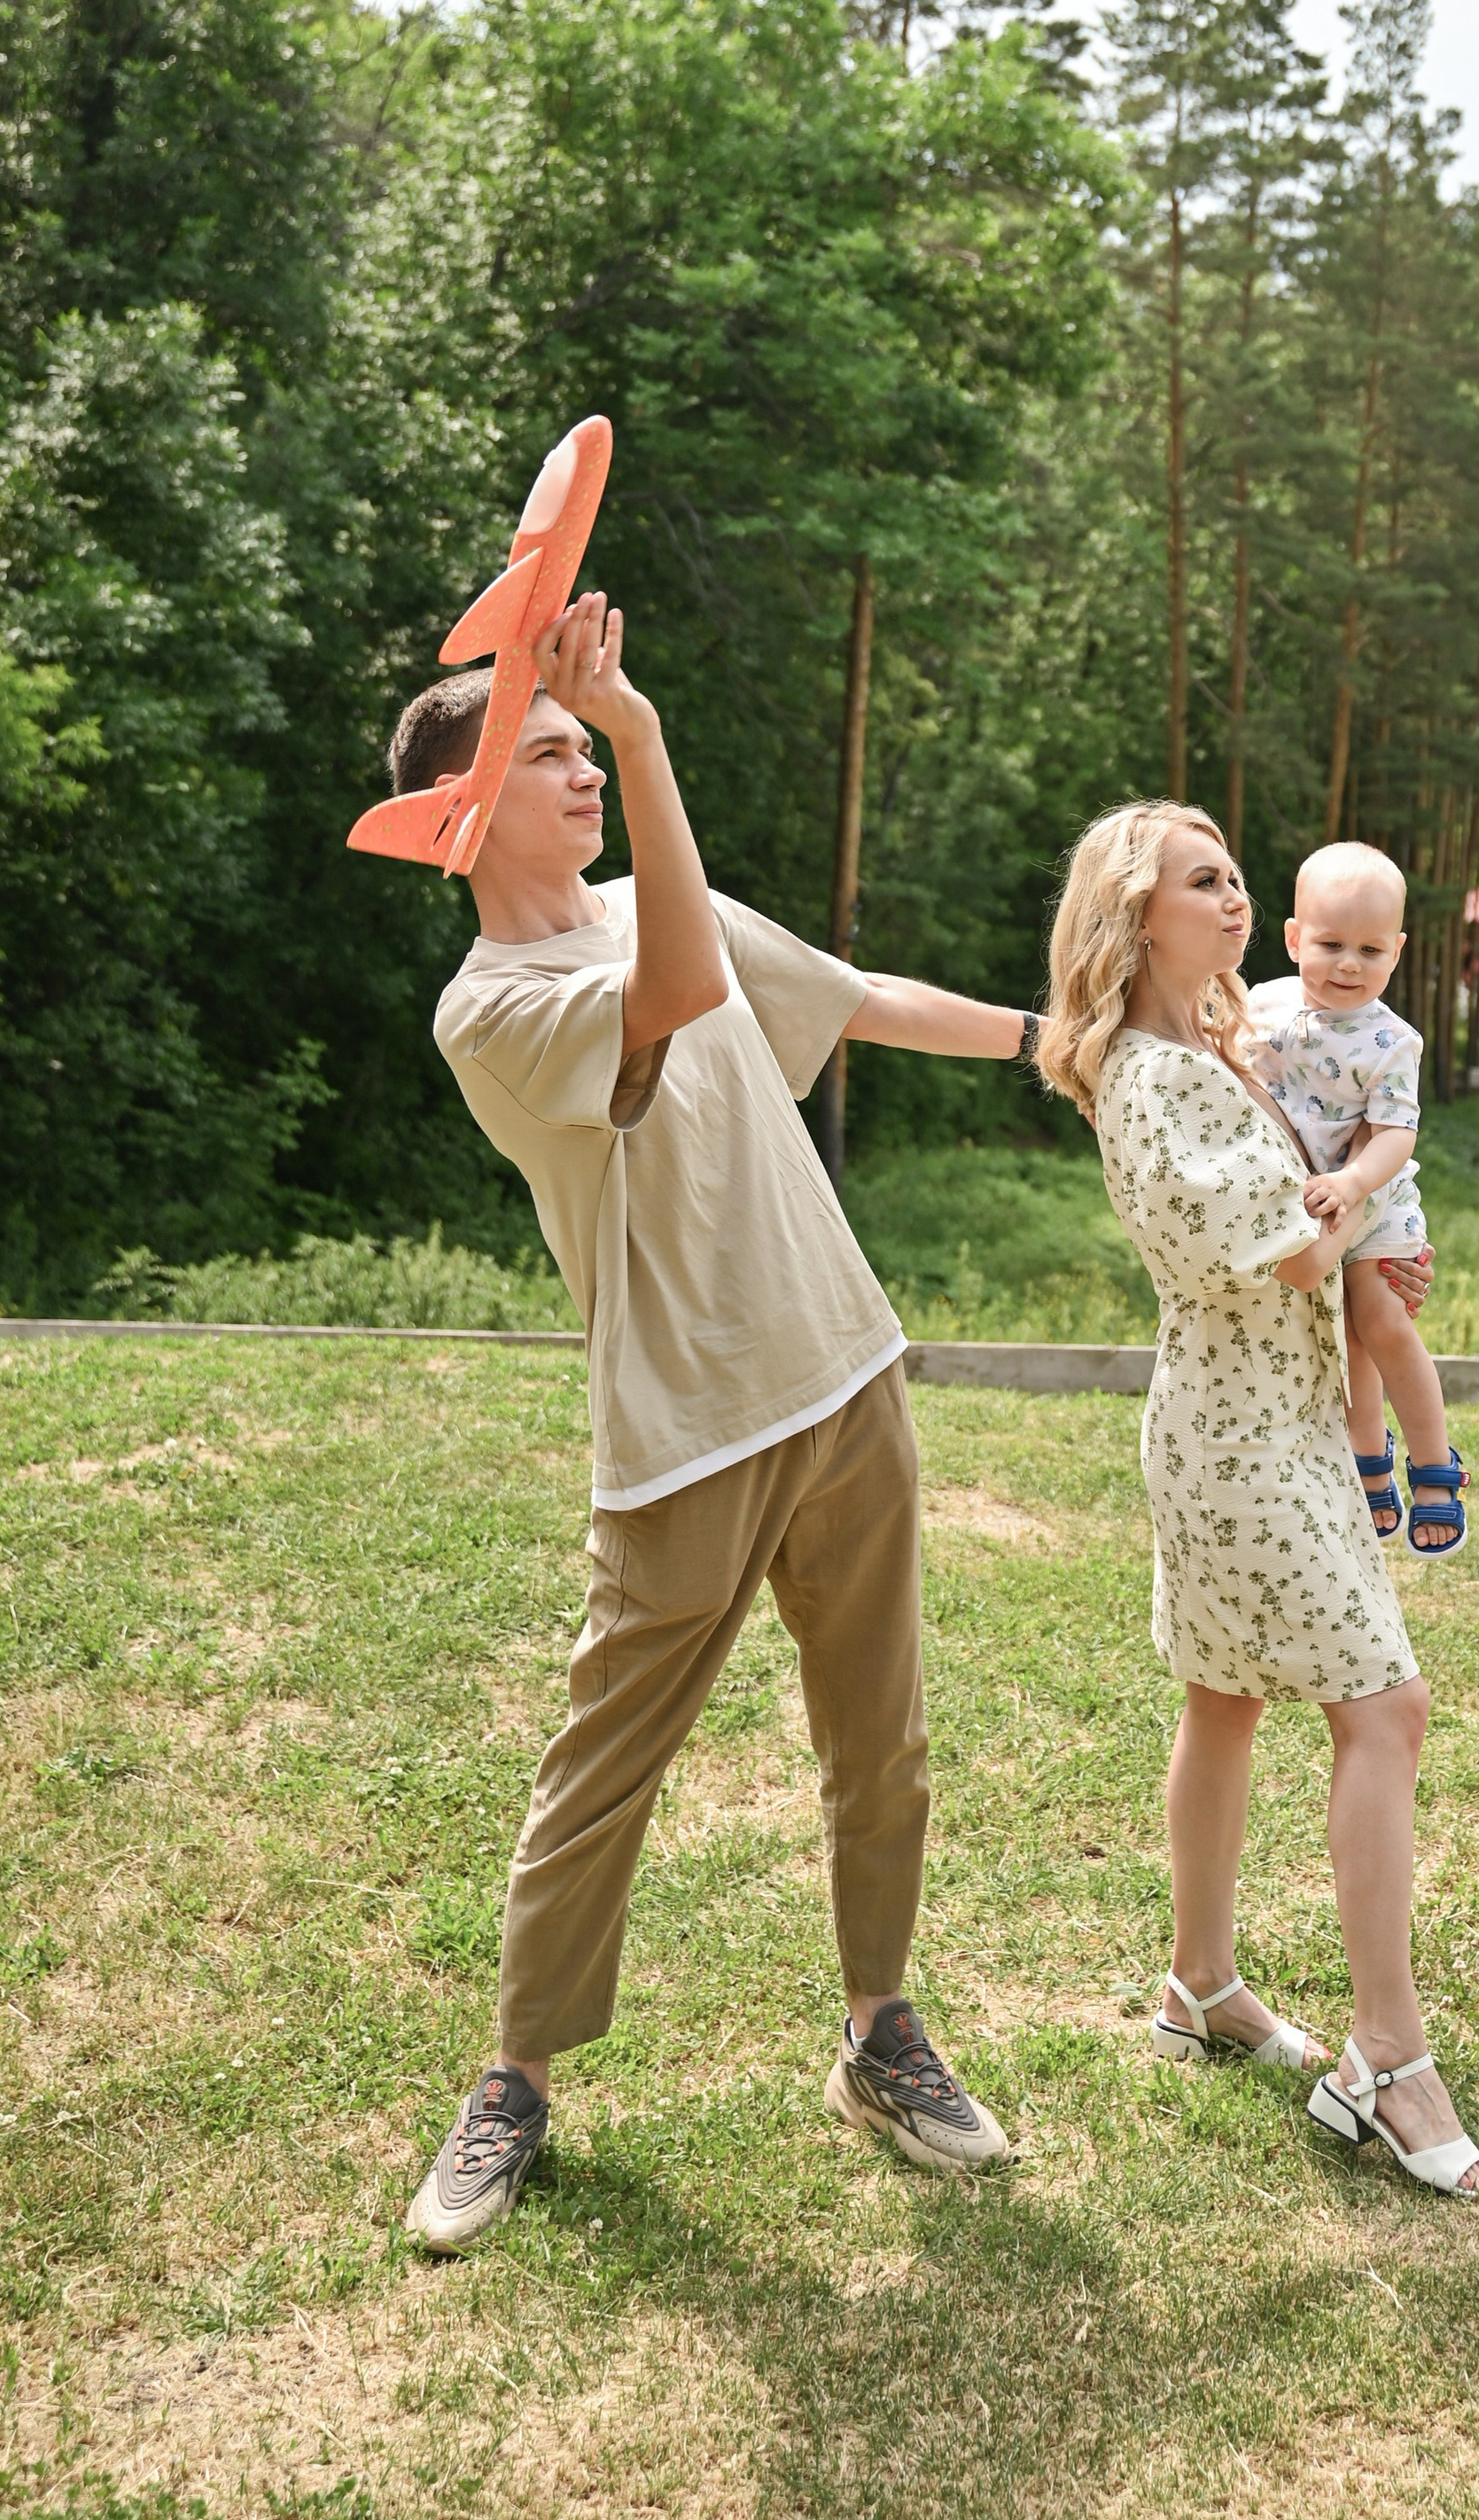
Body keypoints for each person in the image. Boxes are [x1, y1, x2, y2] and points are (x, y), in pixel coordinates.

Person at [394, 587, 1036, 2251]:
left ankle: (881, 2038)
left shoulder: (655, 891)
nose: (583, 768)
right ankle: (514, 2083)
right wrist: (647, 731)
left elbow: (856, 999)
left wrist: (1065, 1046)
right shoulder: (489, 1006)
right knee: (601, 1772)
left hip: (843, 1374)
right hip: (682, 1430)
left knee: (878, 1744)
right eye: (547, 753)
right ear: (462, 817)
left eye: (581, 746)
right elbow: (672, 987)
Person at [1039, 800, 1479, 2197]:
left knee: (1225, 1698)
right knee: (1386, 1704)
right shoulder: (1157, 1076)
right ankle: (1388, 2055)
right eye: (1206, 882)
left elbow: (1323, 1208)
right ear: (1136, 914)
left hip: (1271, 1419)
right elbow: (1298, 1254)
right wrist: (1362, 1223)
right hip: (1239, 1441)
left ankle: (1199, 1981)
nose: (1234, 900)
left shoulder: (1215, 1049)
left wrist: (1353, 1222)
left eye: (1239, 877)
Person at [1244, 842, 1466, 1555]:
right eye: (1331, 943)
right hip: (1311, 1200)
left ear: (1397, 951)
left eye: (1370, 950)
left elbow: (1397, 1135)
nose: (1348, 964)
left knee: (1379, 1321)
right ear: (1292, 937)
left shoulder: (1391, 1039)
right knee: (1343, 1340)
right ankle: (1368, 1459)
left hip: (1374, 1198)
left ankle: (1435, 1465)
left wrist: (1353, 1182)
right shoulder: (1265, 1003)